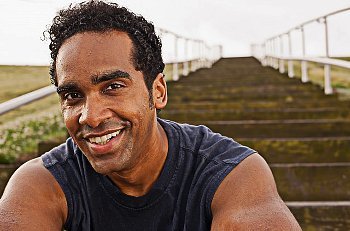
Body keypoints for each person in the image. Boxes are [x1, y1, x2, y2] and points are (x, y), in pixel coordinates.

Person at [0, 1, 301, 230]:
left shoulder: (231, 172)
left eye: (113, 86)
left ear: (157, 92)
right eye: (73, 95)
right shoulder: (41, 182)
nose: (90, 117)